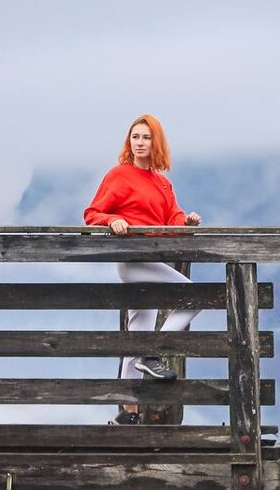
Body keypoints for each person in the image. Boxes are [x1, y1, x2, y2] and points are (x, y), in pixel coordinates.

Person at [83, 113, 202, 425]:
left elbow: (170, 219)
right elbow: (92, 213)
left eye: (146, 137)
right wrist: (113, 220)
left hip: (154, 258)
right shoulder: (119, 175)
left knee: (140, 324)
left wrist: (186, 222)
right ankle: (151, 354)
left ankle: (127, 414)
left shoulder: (162, 183)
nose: (139, 143)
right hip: (132, 260)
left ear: (156, 143)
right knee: (193, 297)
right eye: (135, 137)